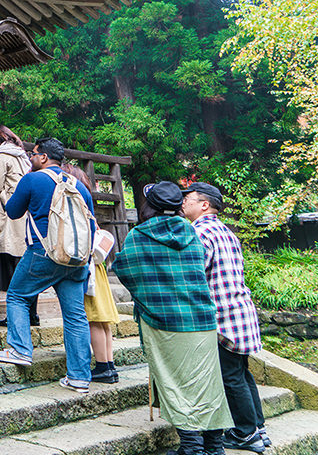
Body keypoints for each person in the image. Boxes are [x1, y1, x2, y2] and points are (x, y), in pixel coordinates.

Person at [116, 181, 233, 455]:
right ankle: (215, 447)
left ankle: (192, 447)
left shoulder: (138, 236)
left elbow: (125, 269)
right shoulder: (192, 233)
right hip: (202, 319)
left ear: (150, 207)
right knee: (208, 383)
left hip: (164, 320)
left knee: (174, 382)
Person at [0, 137, 95, 394]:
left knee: (16, 296)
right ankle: (80, 377)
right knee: (75, 316)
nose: (30, 158)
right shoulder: (78, 185)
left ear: (44, 157)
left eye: (33, 154)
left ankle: (20, 349)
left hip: (43, 253)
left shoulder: (33, 179)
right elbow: (91, 224)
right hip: (76, 258)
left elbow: (13, 212)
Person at [183, 182, 268, 453]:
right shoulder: (226, 232)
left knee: (230, 377)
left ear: (204, 204)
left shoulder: (199, 232)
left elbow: (195, 276)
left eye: (189, 199)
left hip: (222, 316)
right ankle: (257, 428)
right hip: (240, 311)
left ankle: (245, 433)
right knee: (241, 373)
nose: (184, 203)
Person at [63, 163, 119, 384]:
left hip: (88, 271)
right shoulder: (89, 207)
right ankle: (109, 365)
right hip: (99, 269)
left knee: (93, 319)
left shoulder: (75, 206)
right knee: (102, 321)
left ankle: (103, 366)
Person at [0, 124, 36, 326]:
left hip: (7, 212)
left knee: (12, 265)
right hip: (24, 210)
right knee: (24, 263)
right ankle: (32, 314)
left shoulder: (0, 155)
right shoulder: (22, 155)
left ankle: (16, 316)